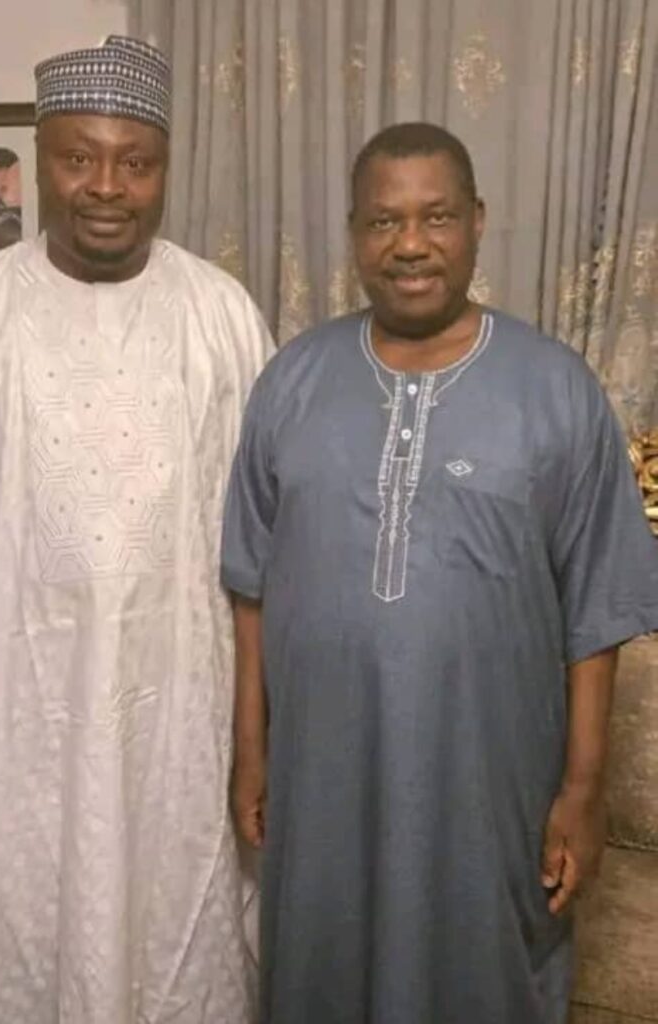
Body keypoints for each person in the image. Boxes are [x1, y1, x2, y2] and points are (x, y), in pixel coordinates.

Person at [0, 35, 272, 1024]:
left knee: (177, 927)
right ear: (38, 158)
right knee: (16, 935)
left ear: (166, 168)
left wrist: (258, 728)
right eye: (79, 157)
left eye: (136, 162)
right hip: (10, 707)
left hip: (180, 714)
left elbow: (263, 541)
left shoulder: (222, 318)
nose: (107, 187)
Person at [221, 122, 658, 1024]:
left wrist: (583, 790)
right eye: (384, 221)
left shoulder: (557, 390)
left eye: (437, 217)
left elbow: (598, 610)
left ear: (477, 222)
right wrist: (253, 749)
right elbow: (251, 585)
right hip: (323, 774)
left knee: (484, 973)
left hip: (490, 780)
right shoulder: (291, 382)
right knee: (320, 963)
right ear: (353, 234)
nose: (411, 244)